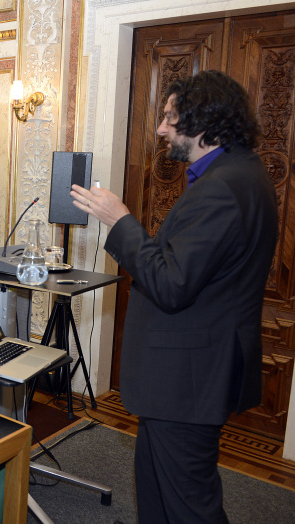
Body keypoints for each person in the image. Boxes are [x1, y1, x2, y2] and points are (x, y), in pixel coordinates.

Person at [70, 71, 278, 523]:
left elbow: (170, 284)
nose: (161, 128)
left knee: (188, 508)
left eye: (169, 117)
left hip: (187, 380)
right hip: (189, 375)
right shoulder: (239, 172)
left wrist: (120, 220)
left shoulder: (223, 187)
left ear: (202, 122)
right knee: (158, 492)